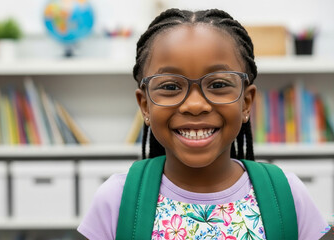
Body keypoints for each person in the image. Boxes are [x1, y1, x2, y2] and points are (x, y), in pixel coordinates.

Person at [77, 8, 330, 239]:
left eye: (218, 85)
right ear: (145, 105)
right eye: (170, 86)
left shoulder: (286, 195)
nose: (195, 105)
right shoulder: (117, 199)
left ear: (246, 102)